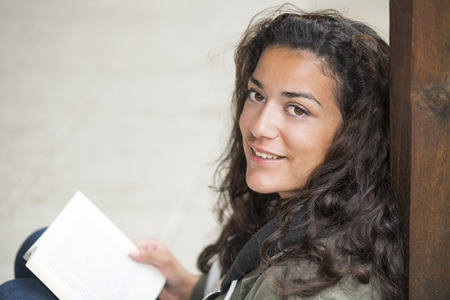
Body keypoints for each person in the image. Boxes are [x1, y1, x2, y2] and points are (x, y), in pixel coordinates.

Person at [0, 4, 405, 300]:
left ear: (354, 132)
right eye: (256, 94)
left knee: (17, 294)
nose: (259, 126)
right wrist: (188, 287)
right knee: (42, 244)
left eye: (297, 109)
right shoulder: (322, 208)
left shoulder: (316, 284)